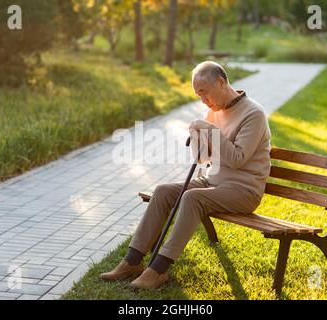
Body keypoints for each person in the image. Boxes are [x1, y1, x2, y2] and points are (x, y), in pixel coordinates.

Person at [100, 61, 271, 289]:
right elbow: (203, 159)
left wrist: (210, 130)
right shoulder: (215, 112)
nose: (203, 101)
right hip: (213, 182)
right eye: (198, 95)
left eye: (204, 93)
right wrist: (198, 136)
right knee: (163, 191)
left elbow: (238, 159)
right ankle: (132, 261)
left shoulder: (253, 113)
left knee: (192, 198)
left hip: (243, 191)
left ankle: (159, 270)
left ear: (221, 82)